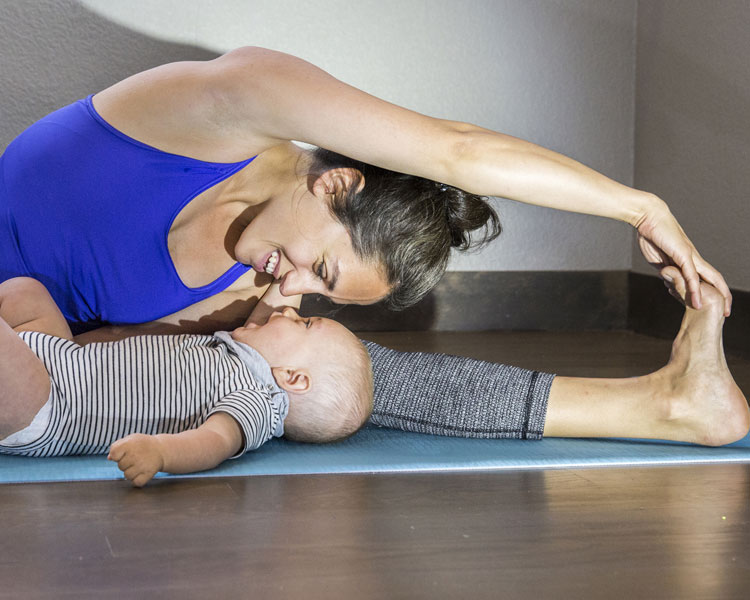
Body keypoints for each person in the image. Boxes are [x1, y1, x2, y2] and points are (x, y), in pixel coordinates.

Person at [0, 47, 745, 444]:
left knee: (329, 378)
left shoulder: (253, 288)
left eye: (317, 291)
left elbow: (90, 375)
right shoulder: (229, 104)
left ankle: (664, 406)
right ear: (335, 186)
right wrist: (638, 207)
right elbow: (455, 149)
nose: (288, 289)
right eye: (319, 266)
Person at [0, 277, 373, 487]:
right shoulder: (245, 352)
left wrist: (161, 453)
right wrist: (294, 276)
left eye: (305, 324)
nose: (291, 313)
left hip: (50, 409)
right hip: (58, 357)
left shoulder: (257, 401)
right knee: (25, 293)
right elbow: (271, 311)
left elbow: (216, 442)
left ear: (293, 378)